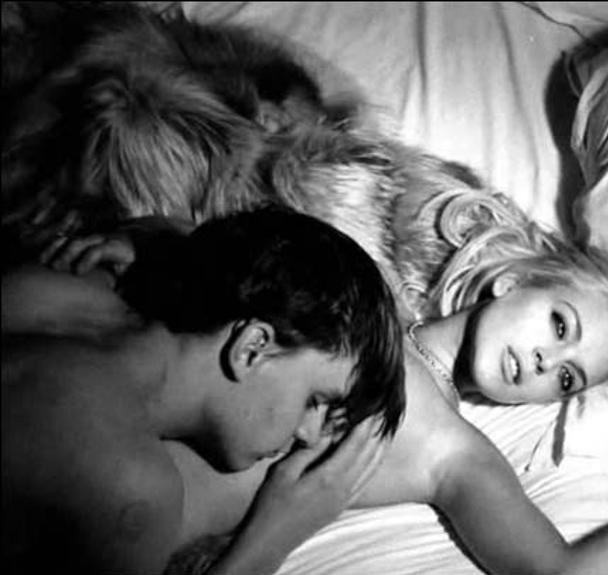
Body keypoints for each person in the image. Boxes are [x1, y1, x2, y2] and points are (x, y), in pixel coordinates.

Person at [30, 209, 608, 575]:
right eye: (559, 324)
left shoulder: (449, 448)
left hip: (96, 535)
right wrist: (145, 241)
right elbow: (243, 262)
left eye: (566, 378)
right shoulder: (353, 280)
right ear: (514, 280)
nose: (544, 361)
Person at [1, 207, 407, 575]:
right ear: (251, 349)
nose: (309, 435)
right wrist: (273, 538)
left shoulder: (55, 282)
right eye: (315, 400)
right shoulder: (128, 491)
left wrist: (144, 235)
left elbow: (218, 240)